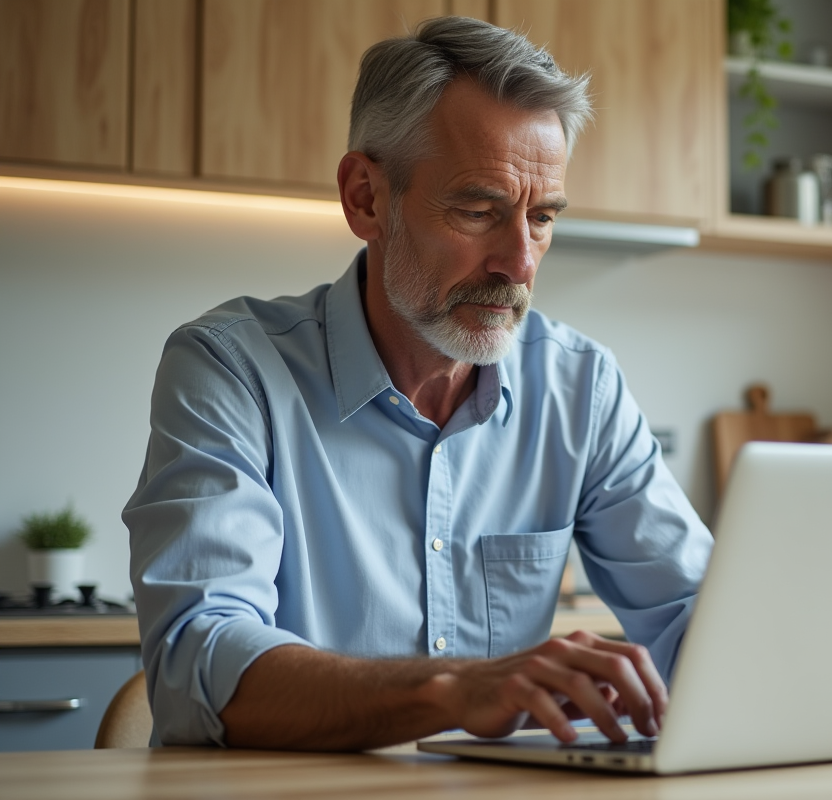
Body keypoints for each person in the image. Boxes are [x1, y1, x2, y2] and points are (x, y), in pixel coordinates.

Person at [123, 17, 713, 751]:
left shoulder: (580, 388)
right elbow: (197, 661)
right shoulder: (231, 370)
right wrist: (456, 690)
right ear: (366, 198)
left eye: (543, 218)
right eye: (478, 211)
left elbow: (701, 618)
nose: (520, 263)